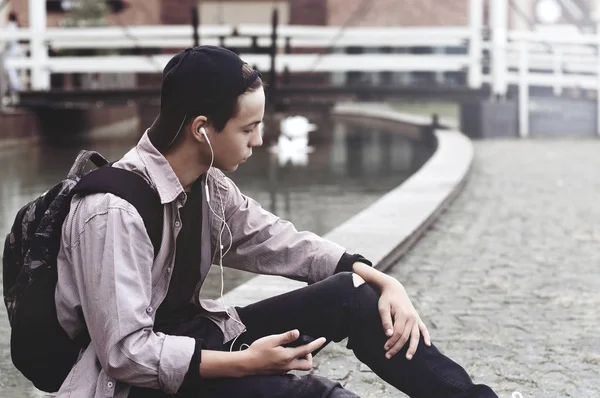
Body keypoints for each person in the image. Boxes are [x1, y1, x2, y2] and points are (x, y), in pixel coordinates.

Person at [55, 46, 498, 398]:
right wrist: (247, 362)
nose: (260, 139)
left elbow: (281, 242)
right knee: (311, 393)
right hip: (135, 386)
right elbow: (125, 355)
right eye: (249, 128)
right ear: (202, 129)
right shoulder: (112, 211)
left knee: (353, 297)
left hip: (202, 340)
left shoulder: (208, 186)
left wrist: (379, 278)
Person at [4, 12, 23, 92]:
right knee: (16, 69)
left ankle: (16, 85)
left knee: (10, 68)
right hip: (18, 49)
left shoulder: (10, 26)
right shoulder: (17, 25)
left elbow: (9, 40)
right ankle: (17, 85)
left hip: (12, 50)